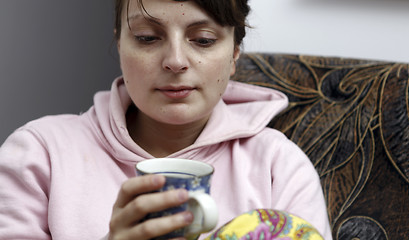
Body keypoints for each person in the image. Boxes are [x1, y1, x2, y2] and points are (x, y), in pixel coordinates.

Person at [0, 0, 332, 239]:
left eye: (202, 40)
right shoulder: (38, 155)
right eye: (147, 37)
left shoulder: (279, 168)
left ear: (234, 54)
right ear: (119, 43)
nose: (175, 61)